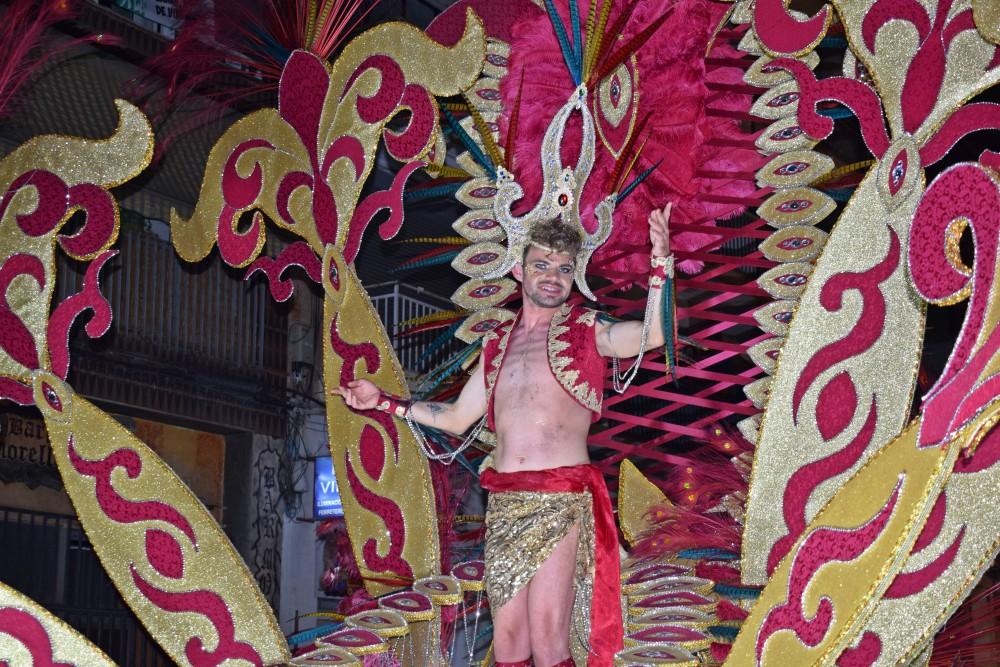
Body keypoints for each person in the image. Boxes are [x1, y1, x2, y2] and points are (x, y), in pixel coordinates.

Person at [334, 203, 672, 667]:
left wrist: (661, 263)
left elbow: (653, 336)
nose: (553, 277)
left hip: (560, 498)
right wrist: (384, 402)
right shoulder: (496, 344)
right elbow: (456, 417)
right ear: (519, 270)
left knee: (548, 636)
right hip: (505, 502)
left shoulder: (586, 330)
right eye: (541, 265)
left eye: (564, 268)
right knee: (510, 640)